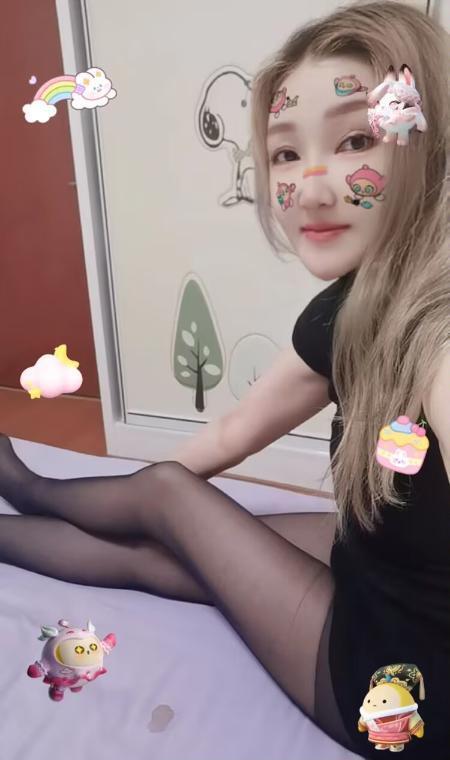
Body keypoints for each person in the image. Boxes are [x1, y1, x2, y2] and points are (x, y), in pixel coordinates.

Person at [0, 1, 448, 757]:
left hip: (402, 682)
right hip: (383, 564)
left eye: (356, 139)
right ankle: (32, 493)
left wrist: (156, 507)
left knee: (167, 499)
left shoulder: (439, 332)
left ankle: (29, 488)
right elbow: (235, 431)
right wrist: (147, 513)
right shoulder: (349, 308)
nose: (310, 187)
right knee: (167, 521)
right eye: (285, 152)